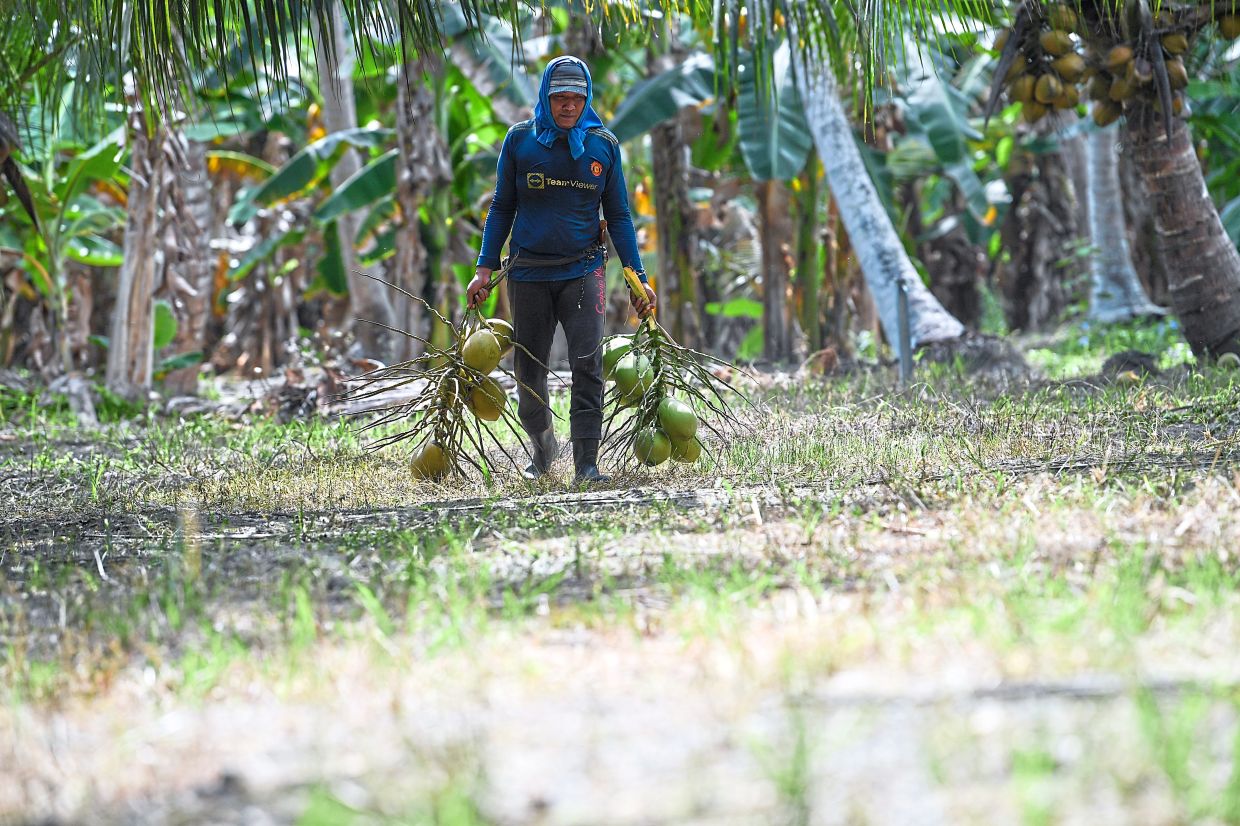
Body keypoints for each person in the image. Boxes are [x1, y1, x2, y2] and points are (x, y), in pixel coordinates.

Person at [467, 56, 655, 484]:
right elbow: (501, 207)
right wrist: (483, 268)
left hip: (584, 272)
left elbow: (620, 216)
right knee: (528, 370)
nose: (568, 105)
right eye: (560, 97)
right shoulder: (520, 142)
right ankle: (542, 445)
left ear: (587, 98)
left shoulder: (603, 145)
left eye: (577, 97)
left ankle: (587, 464)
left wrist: (638, 277)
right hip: (528, 272)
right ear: (546, 97)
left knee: (587, 364)